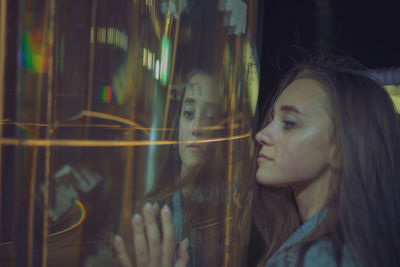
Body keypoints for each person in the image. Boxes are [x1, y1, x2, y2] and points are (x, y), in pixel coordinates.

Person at [116, 54, 400, 267]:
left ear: (341, 147)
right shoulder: (321, 238)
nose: (262, 134)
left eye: (289, 123)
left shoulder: (318, 257)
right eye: (271, 119)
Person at [114, 68, 252, 267]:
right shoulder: (152, 210)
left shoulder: (233, 211)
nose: (197, 127)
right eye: (188, 113)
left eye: (211, 117)